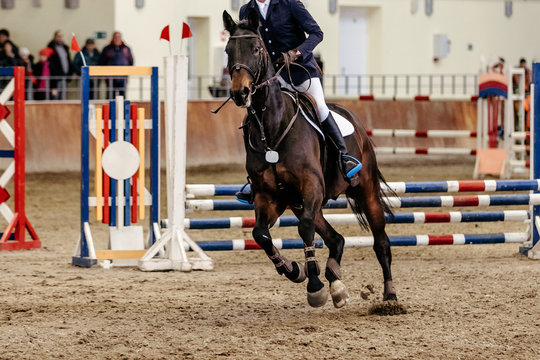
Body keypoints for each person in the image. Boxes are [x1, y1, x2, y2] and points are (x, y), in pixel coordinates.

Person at [235, 0, 361, 202]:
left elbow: (316, 34)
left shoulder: (290, 4)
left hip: (301, 73)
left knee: (320, 107)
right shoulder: (246, 10)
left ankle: (344, 157)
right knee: (254, 119)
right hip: (272, 78)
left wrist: (296, 52)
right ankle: (256, 179)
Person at [99, 32, 134, 99]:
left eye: (119, 37)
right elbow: (102, 61)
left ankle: (123, 109)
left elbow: (131, 61)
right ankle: (110, 109)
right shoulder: (107, 49)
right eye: (116, 37)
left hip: (123, 77)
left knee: (122, 95)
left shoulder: (126, 49)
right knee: (110, 96)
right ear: (113, 38)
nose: (117, 39)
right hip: (110, 77)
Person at [47, 30, 73, 100]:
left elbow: (68, 60)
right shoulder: (51, 47)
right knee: (55, 95)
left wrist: (69, 73)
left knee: (63, 95)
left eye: (61, 36)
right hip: (56, 76)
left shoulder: (65, 47)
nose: (60, 38)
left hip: (64, 75)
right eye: (58, 36)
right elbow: (51, 63)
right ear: (55, 37)